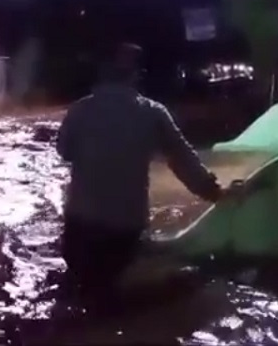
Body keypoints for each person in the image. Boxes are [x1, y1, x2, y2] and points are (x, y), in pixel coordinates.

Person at [56, 41, 223, 295]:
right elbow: (184, 161)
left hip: (78, 231)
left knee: (82, 288)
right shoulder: (153, 113)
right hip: (124, 232)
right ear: (136, 75)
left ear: (101, 73)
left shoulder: (78, 111)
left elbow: (64, 152)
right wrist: (216, 193)